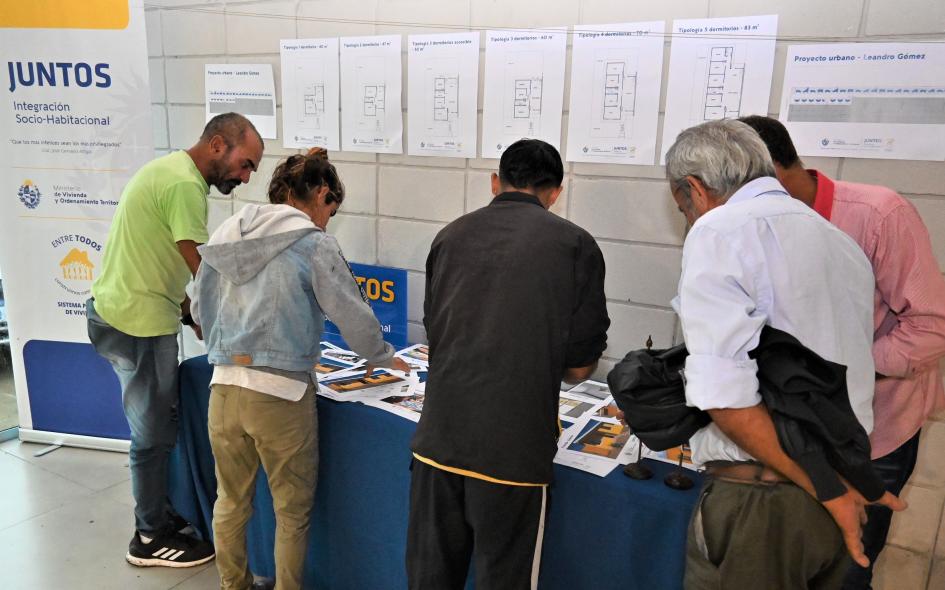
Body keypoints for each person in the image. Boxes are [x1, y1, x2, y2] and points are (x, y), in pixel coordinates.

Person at [665, 120, 905, 589]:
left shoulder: (719, 230)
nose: (689, 219)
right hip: (830, 497)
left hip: (766, 502)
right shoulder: (837, 240)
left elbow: (726, 397)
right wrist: (834, 490)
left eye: (683, 208)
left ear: (695, 188)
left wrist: (827, 489)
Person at [740, 115, 945, 589]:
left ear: (766, 171)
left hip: (873, 436)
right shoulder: (751, 224)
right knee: (785, 564)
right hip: (793, 433)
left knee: (844, 571)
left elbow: (930, 328)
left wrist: (836, 369)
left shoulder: (878, 214)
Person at [191, 148, 410, 590]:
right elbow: (354, 316)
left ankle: (234, 585)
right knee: (292, 512)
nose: (328, 220)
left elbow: (198, 307)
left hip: (223, 386)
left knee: (231, 500)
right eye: (332, 210)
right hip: (280, 397)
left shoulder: (226, 232)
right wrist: (385, 356)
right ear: (322, 193)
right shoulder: (312, 243)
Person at [407, 139, 611, 589]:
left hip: (437, 443)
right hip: (513, 456)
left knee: (429, 579)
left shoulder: (450, 235)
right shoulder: (576, 246)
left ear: (496, 183)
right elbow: (581, 367)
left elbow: (436, 335)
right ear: (556, 191)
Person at [86, 113, 264, 567]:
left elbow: (160, 257)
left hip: (122, 310)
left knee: (157, 426)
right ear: (219, 145)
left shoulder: (169, 171)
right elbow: (205, 273)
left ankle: (159, 511)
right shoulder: (185, 187)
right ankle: (148, 536)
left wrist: (190, 317)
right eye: (246, 164)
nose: (245, 178)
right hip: (137, 323)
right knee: (152, 435)